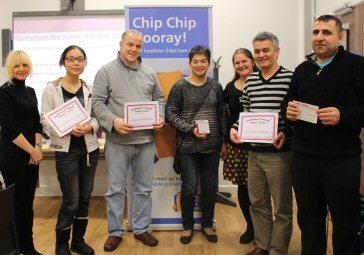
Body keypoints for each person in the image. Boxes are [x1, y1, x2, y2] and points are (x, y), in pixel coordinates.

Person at [283, 15, 364, 255]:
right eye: (316, 32)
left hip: (341, 160)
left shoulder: (357, 66)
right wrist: (288, 113)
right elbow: (288, 105)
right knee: (309, 222)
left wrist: (343, 115)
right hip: (303, 159)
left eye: (326, 33)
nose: (319, 37)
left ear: (340, 37)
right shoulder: (302, 69)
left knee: (345, 223)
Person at [91, 29, 165, 251]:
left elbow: (159, 99)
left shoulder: (150, 73)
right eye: (130, 45)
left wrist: (160, 116)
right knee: (115, 190)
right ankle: (115, 231)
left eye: (138, 46)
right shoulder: (106, 71)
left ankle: (141, 228)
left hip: (145, 141)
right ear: (121, 44)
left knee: (143, 189)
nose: (134, 49)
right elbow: (97, 103)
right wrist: (113, 121)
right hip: (118, 143)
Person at [230, 32, 293, 255]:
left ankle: (277, 250)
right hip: (253, 153)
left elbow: (293, 115)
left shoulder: (290, 78)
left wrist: (285, 131)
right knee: (257, 203)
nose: (261, 55)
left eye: (266, 50)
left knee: (282, 208)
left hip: (279, 154)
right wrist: (235, 128)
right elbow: (246, 111)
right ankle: (262, 245)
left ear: (277, 51)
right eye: (257, 51)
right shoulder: (252, 80)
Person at [40, 45, 100, 255]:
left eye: (80, 59)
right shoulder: (52, 88)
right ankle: (61, 243)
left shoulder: (90, 88)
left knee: (85, 197)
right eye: (71, 59)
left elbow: (96, 117)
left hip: (88, 150)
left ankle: (78, 241)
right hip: (65, 151)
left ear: (84, 62)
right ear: (63, 62)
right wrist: (65, 129)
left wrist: (89, 126)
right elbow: (45, 119)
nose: (76, 63)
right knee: (71, 199)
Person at [166, 45, 227, 245]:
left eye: (203, 61)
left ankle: (207, 224)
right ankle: (187, 226)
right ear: (189, 63)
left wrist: (223, 141)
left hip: (212, 146)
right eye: (195, 61)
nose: (199, 65)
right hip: (188, 148)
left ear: (208, 63)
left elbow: (221, 116)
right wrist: (191, 128)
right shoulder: (179, 87)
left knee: (210, 187)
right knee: (190, 188)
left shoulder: (216, 86)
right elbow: (170, 114)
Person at [0, 50, 43, 255]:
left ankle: (29, 247)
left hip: (31, 155)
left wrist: (38, 149)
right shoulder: (4, 92)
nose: (21, 69)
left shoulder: (31, 91)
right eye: (16, 66)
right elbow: (9, 129)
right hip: (12, 156)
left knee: (28, 204)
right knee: (15, 204)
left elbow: (37, 124)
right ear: (10, 68)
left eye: (24, 65)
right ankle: (14, 249)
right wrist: (31, 152)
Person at [223, 48, 258, 244]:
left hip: (259, 146)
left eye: (244, 61)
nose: (241, 65)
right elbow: (226, 117)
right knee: (243, 189)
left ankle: (262, 228)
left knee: (260, 190)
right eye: (237, 63)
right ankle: (251, 227)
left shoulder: (262, 83)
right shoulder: (229, 88)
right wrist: (224, 142)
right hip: (237, 146)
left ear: (252, 61)